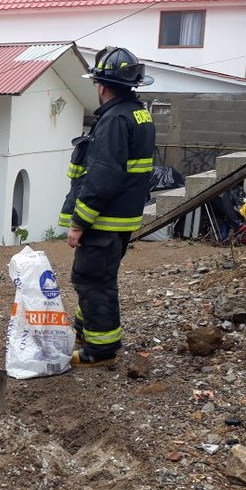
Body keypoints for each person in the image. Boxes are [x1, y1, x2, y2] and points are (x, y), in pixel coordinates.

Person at [58, 47, 156, 367]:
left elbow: (103, 176)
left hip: (104, 220)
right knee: (96, 276)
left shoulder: (114, 119)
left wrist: (79, 223)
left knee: (92, 280)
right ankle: (87, 330)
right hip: (121, 220)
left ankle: (99, 350)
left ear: (101, 86)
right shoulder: (138, 113)